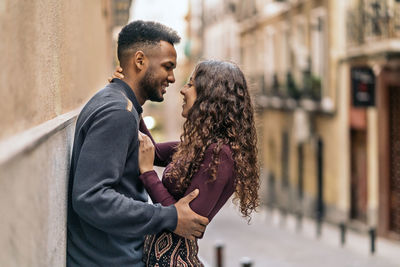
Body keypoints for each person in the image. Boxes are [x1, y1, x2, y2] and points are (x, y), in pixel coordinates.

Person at [66, 20, 209, 267]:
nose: (173, 78)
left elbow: (153, 151)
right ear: (140, 61)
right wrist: (170, 216)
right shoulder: (118, 111)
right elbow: (90, 196)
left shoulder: (120, 104)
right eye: (167, 67)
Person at [131, 60, 260, 266]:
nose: (182, 90)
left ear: (210, 97)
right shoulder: (199, 146)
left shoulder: (220, 155)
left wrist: (148, 173)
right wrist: (132, 100)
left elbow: (185, 222)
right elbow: (152, 151)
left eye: (190, 84)